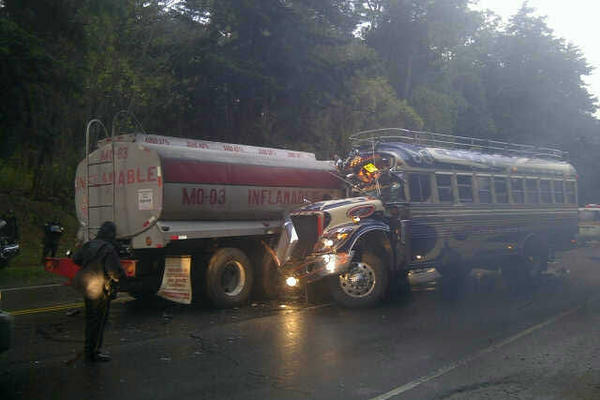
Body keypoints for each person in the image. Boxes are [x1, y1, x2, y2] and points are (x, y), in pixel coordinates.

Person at [72, 221, 124, 363]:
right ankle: (93, 352)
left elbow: (76, 259)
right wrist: (118, 277)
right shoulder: (108, 248)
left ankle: (89, 349)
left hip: (86, 285)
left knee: (90, 320)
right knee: (99, 321)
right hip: (100, 288)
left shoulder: (90, 244)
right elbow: (115, 271)